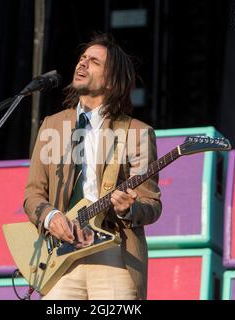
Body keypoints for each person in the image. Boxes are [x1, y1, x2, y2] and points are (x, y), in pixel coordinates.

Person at [23, 33, 161, 300]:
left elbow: (152, 203)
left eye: (94, 61)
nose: (82, 64)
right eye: (82, 58)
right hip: (60, 257)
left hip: (114, 255)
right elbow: (33, 195)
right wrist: (52, 218)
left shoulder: (137, 133)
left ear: (111, 80)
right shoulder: (53, 125)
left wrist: (128, 209)